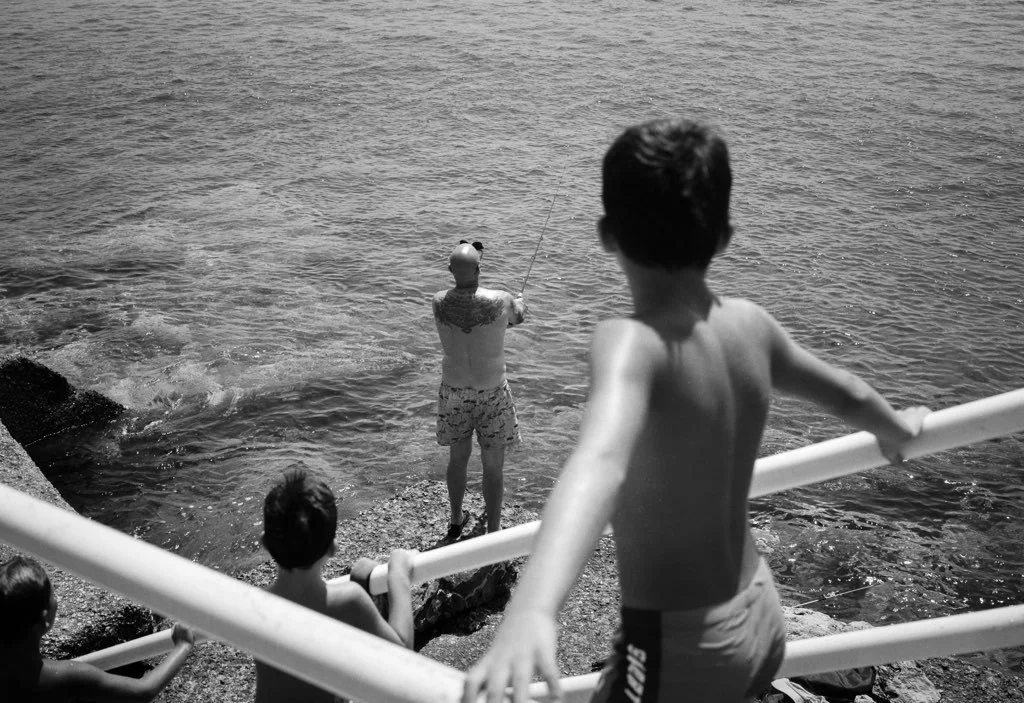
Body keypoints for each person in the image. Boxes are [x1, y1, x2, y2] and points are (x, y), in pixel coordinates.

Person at [462, 118, 930, 703]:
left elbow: (600, 463)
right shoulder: (753, 326)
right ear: (725, 235)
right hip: (759, 613)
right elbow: (849, 394)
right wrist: (898, 427)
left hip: (680, 643)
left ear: (607, 236)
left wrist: (533, 607)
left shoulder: (630, 343)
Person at [255, 468, 416, 703]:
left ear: (264, 543)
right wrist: (398, 576)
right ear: (333, 548)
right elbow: (403, 656)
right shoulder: (349, 602)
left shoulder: (254, 603)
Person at [0, 555, 194, 702]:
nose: (56, 599)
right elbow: (143, 691)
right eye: (52, 595)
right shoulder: (65, 676)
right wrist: (183, 645)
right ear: (44, 618)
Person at [433, 240, 528, 537]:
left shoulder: (438, 301)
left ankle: (455, 519)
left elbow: (466, 325)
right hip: (492, 392)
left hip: (454, 391)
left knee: (457, 459)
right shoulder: (502, 299)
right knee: (493, 465)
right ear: (479, 268)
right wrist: (520, 302)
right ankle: (494, 531)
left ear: (450, 270)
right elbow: (518, 317)